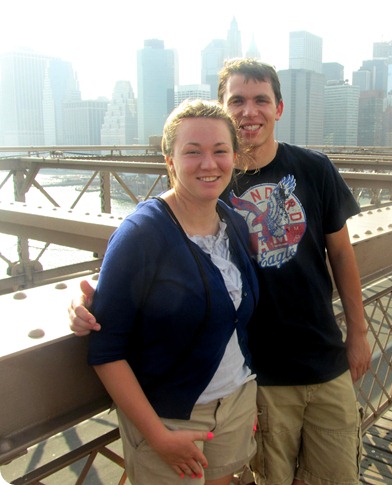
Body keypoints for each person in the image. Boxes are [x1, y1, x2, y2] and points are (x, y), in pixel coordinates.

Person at [70, 59, 371, 485]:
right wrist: (88, 297)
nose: (250, 112)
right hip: (255, 378)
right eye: (238, 101)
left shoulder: (293, 180)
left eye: (261, 100)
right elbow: (152, 247)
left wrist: (357, 332)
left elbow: (341, 254)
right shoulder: (205, 189)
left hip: (312, 363)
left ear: (279, 108)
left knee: (337, 476)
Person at [77, 99, 259, 485]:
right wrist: (158, 437)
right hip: (169, 418)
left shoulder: (234, 224)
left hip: (236, 402)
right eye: (192, 152)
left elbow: (235, 316)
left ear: (234, 157)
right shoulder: (141, 235)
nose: (208, 164)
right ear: (169, 160)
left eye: (220, 151)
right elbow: (106, 350)